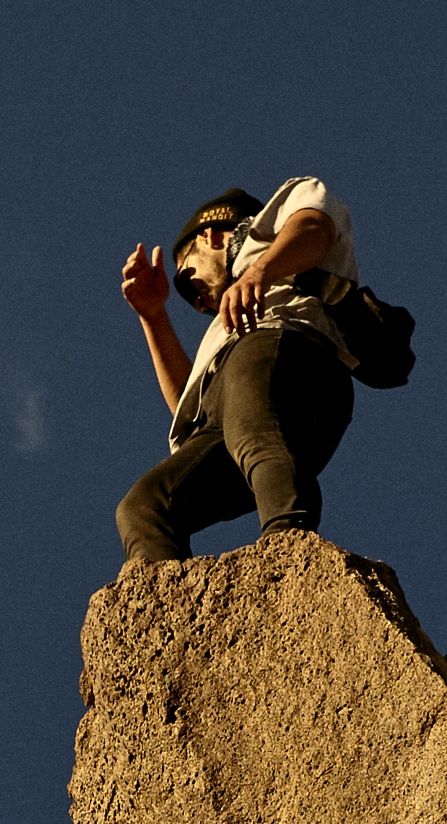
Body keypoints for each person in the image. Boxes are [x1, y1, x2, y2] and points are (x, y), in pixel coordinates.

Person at [115, 178, 360, 564]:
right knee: (145, 505)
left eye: (185, 280)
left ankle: (289, 559)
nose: (196, 304)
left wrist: (257, 271)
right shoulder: (225, 325)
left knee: (255, 432)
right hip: (227, 408)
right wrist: (153, 315)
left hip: (286, 348)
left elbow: (315, 227)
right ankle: (167, 611)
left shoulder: (277, 229)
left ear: (211, 236)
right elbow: (189, 407)